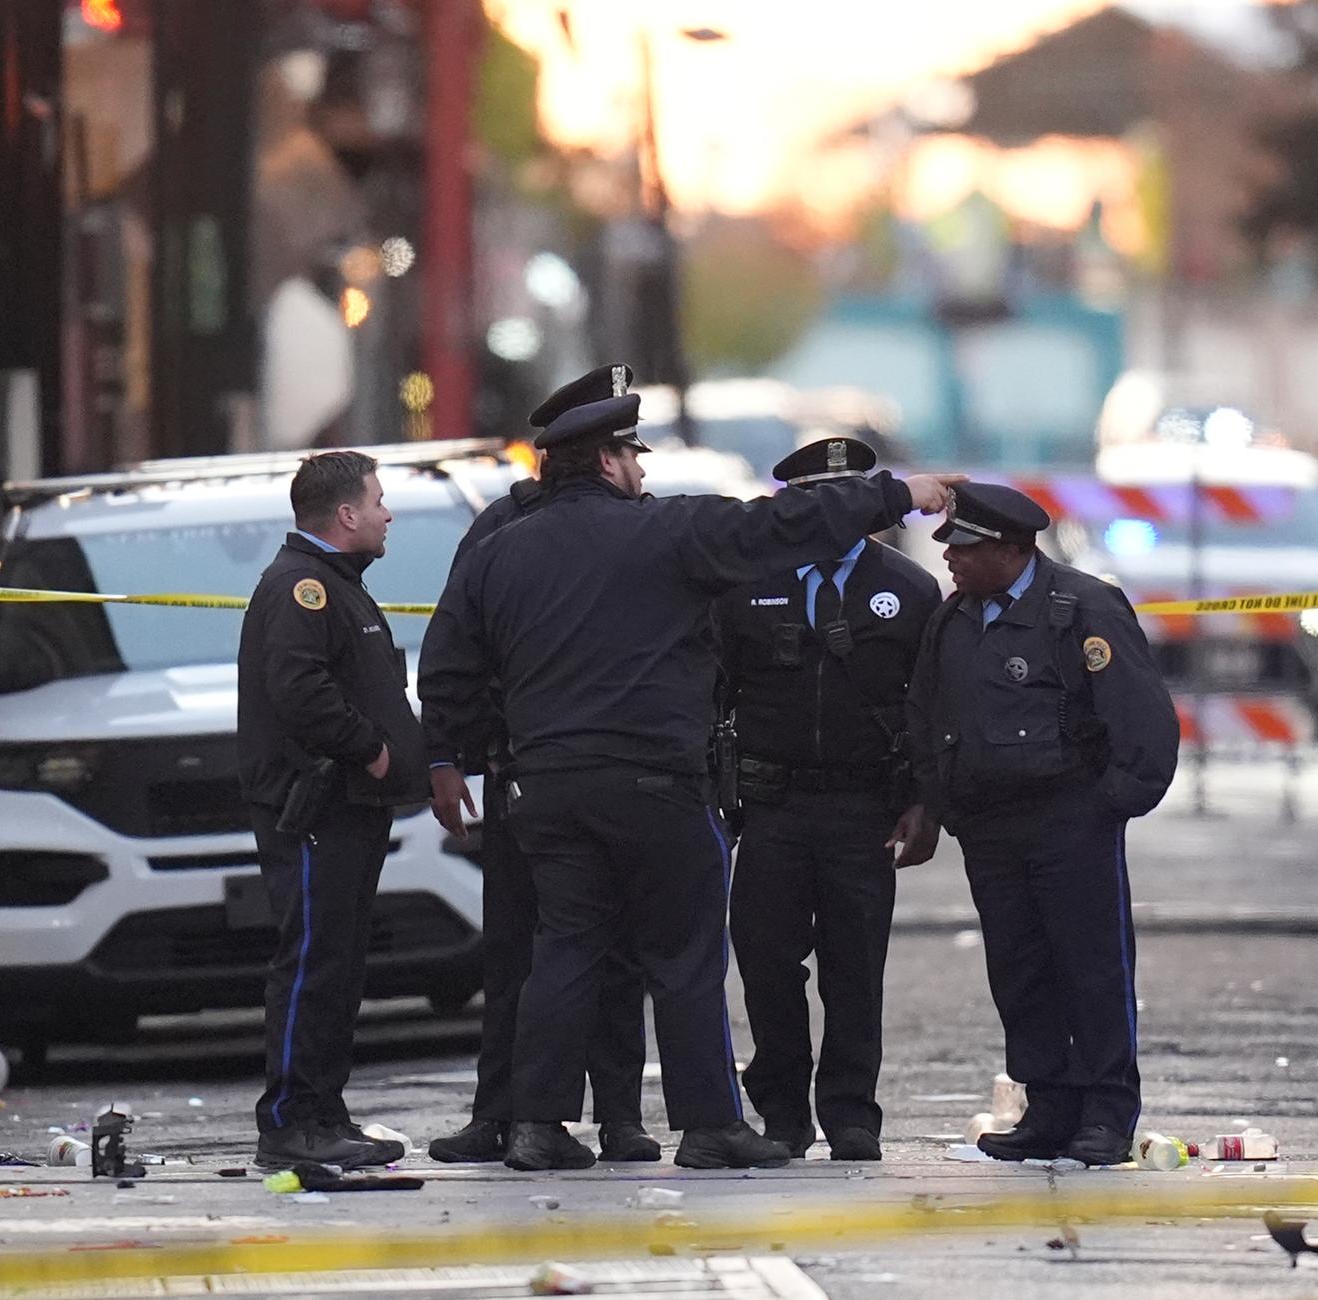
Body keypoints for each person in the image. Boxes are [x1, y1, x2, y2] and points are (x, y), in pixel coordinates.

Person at [420, 394, 964, 1171]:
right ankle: (710, 1125)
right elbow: (781, 526)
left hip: (546, 788)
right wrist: (899, 492)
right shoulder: (670, 532)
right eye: (634, 454)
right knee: (683, 956)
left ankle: (536, 1125)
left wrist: (445, 758)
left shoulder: (501, 550)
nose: (642, 467)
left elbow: (448, 662)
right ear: (607, 461)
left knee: (564, 950)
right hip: (655, 787)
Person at [905, 482, 1178, 1168]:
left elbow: (1140, 717)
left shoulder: (1080, 607)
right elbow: (929, 715)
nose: (951, 561)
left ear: (1013, 547)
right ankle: (1049, 1105)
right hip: (991, 827)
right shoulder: (955, 620)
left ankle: (1107, 1113)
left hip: (1068, 820)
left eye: (965, 549)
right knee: (1020, 971)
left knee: (1089, 967)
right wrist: (943, 804)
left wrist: (1108, 805)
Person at [426, 366, 657, 1166]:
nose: (636, 466)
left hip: (595, 768)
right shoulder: (503, 527)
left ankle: (620, 1116)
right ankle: (501, 1112)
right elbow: (454, 651)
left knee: (616, 950)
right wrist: (447, 757)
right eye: (624, 449)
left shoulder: (642, 526)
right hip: (519, 766)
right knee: (515, 950)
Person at [714, 437, 943, 1162]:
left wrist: (923, 802)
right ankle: (781, 1111)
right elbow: (712, 691)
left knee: (855, 967)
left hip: (862, 807)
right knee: (766, 963)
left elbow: (928, 708)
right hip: (772, 808)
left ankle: (852, 1113)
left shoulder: (908, 589)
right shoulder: (747, 584)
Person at [237, 450, 429, 1170]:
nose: (388, 514)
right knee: (315, 959)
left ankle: (323, 1111)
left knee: (340, 965)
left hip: (349, 808)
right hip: (318, 805)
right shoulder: (303, 588)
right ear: (345, 514)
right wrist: (371, 748)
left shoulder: (334, 583)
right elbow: (300, 690)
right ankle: (289, 1121)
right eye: (378, 501)